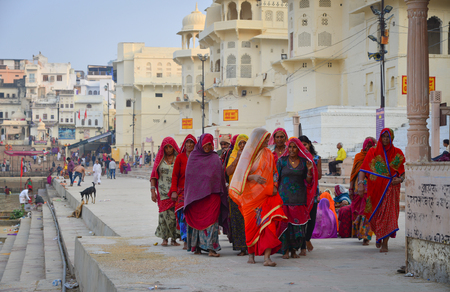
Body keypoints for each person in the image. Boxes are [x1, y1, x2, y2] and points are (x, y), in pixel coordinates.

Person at [229, 128, 287, 267]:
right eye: (265, 139)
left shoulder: (269, 153)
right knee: (251, 227)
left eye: (268, 139)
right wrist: (253, 177)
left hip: (266, 194)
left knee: (269, 225)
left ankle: (267, 258)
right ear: (257, 140)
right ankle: (251, 254)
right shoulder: (247, 155)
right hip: (250, 198)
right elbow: (239, 175)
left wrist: (274, 185)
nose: (268, 141)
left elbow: (274, 172)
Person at [359, 128, 405, 253]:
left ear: (392, 138)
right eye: (383, 136)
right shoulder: (373, 152)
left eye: (388, 137)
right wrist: (360, 184)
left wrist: (400, 179)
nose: (385, 139)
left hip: (391, 189)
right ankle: (379, 235)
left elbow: (403, 172)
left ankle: (385, 243)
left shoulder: (398, 153)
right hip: (375, 190)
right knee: (375, 215)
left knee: (388, 215)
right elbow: (363, 170)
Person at [184, 133, 228, 257]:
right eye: (205, 144)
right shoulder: (193, 156)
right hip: (195, 197)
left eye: (209, 144)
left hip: (212, 196)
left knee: (212, 221)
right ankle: (196, 247)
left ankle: (211, 249)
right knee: (195, 221)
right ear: (201, 144)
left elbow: (219, 177)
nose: (207, 147)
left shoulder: (215, 158)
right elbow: (189, 177)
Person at [276, 138, 318, 259]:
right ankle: (285, 251)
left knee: (298, 226)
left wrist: (310, 170)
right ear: (287, 148)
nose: (292, 150)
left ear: (298, 148)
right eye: (290, 147)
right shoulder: (282, 161)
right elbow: (276, 178)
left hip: (299, 197)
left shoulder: (305, 162)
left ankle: (294, 250)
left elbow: (308, 180)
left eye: (294, 147)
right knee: (284, 224)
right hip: (284, 197)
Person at [151, 137, 181, 246]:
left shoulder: (178, 158)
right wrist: (152, 191)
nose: (168, 149)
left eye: (170, 147)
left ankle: (174, 238)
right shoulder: (160, 159)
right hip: (163, 192)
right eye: (166, 147)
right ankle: (164, 238)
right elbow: (154, 175)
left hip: (175, 191)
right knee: (163, 215)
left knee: (174, 216)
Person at [169, 134, 197, 250]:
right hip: (181, 190)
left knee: (193, 215)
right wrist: (174, 191)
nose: (189, 145)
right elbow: (175, 175)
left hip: (195, 190)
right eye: (187, 142)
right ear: (184, 144)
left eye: (191, 142)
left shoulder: (198, 156)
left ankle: (194, 240)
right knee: (182, 216)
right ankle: (185, 240)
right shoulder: (180, 158)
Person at [348, 137, 376, 245]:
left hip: (370, 188)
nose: (369, 148)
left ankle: (366, 236)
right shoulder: (358, 157)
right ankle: (360, 233)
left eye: (371, 146)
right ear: (364, 146)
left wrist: (374, 139)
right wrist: (350, 188)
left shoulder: (374, 157)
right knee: (357, 212)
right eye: (367, 146)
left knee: (367, 211)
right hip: (357, 188)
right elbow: (353, 173)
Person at [225, 134, 249, 256]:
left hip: (248, 192)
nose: (242, 145)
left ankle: (250, 245)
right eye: (240, 143)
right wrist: (237, 160)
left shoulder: (252, 156)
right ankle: (241, 247)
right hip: (235, 191)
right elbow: (228, 171)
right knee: (237, 218)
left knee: (248, 218)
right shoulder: (233, 155)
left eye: (245, 143)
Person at [298, 135, 322, 256]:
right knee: (302, 219)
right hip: (299, 192)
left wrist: (311, 168)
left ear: (309, 145)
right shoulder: (295, 159)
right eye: (301, 145)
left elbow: (320, 176)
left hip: (313, 192)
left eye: (305, 144)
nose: (304, 147)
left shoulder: (316, 158)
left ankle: (307, 239)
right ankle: (302, 245)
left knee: (312, 218)